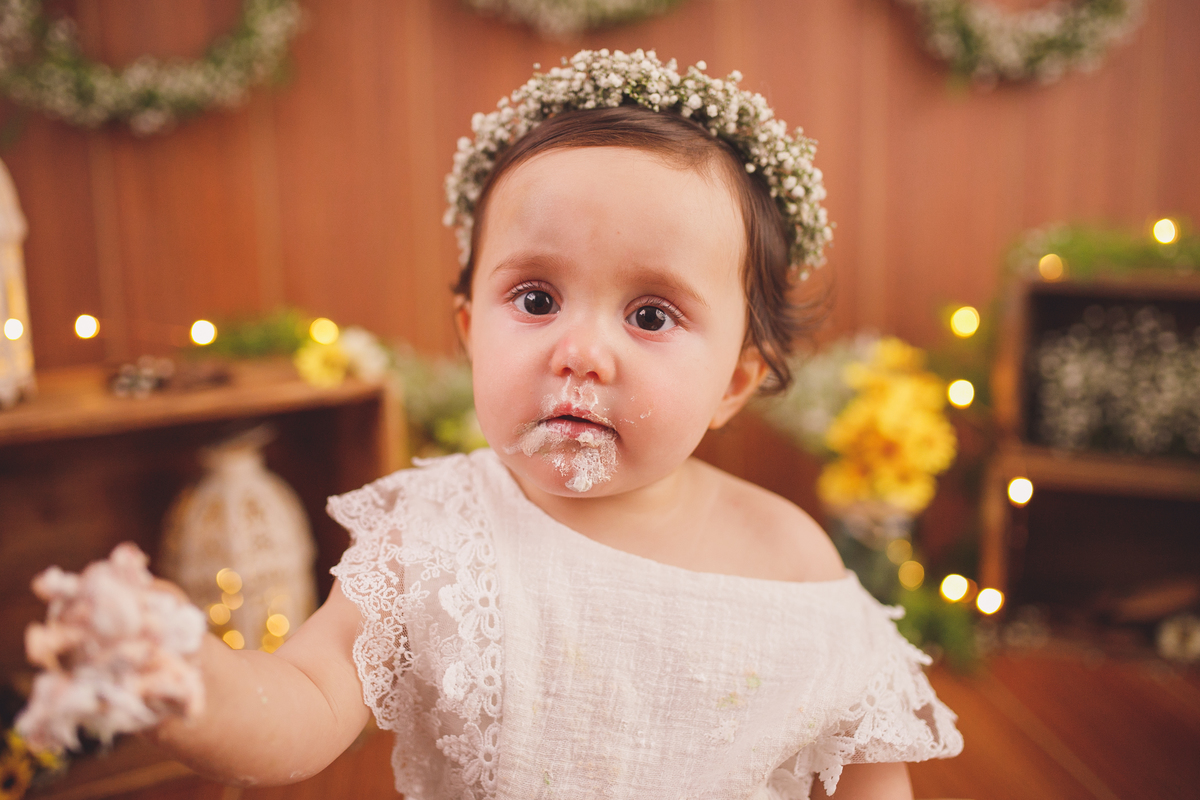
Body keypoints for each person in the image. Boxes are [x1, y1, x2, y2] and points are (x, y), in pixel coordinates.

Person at [75, 50, 962, 799]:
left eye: (651, 316)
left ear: (735, 380)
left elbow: (868, 763)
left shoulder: (786, 557)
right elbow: (305, 701)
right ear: (469, 332)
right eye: (536, 298)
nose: (581, 351)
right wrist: (192, 680)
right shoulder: (436, 534)